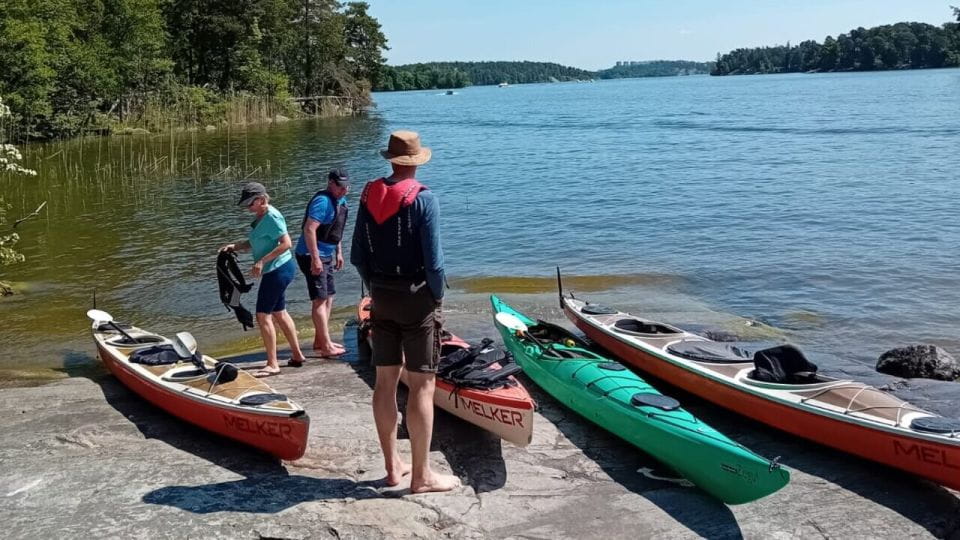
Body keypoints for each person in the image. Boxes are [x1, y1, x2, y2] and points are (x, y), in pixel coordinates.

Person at [351, 130, 460, 493]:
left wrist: (376, 288)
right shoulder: (424, 200)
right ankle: (422, 476)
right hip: (417, 300)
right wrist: (437, 297)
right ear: (416, 162)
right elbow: (435, 262)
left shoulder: (368, 194)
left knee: (384, 382)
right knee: (422, 385)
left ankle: (391, 467)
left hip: (381, 297)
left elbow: (357, 257)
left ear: (391, 160)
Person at [219, 182, 307, 377]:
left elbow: (287, 244)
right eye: (246, 205)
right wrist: (234, 246)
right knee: (279, 312)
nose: (248, 208)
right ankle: (297, 355)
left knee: (262, 315)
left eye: (250, 203)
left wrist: (261, 261)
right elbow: (255, 242)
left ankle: (272, 363)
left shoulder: (272, 216)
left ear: (261, 199)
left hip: (278, 269)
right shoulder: (260, 217)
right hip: (276, 270)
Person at [294, 168, 350, 359]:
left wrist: (339, 253)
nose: (344, 190)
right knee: (319, 299)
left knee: (329, 296)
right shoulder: (322, 201)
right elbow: (310, 230)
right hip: (311, 255)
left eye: (346, 187)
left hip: (327, 254)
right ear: (330, 183)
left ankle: (320, 340)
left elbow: (337, 229)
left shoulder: (341, 200)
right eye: (340, 187)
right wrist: (315, 258)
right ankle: (325, 347)